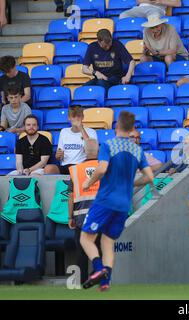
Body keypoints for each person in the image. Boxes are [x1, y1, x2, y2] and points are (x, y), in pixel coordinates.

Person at [80, 111, 155, 291]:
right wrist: (132, 182)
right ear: (131, 129)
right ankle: (106, 283)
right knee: (108, 242)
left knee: (86, 239)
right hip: (123, 205)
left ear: (117, 126)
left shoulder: (108, 145)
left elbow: (102, 169)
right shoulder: (137, 150)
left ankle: (98, 270)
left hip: (105, 200)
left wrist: (88, 182)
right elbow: (150, 176)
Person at [68, 139, 101, 284]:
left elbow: (70, 196)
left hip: (81, 219)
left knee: (81, 252)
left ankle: (80, 283)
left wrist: (70, 217)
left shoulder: (76, 170)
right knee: (100, 250)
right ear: (98, 151)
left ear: (83, 152)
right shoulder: (105, 168)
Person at [44, 106, 98, 175]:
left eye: (79, 116)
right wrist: (58, 155)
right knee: (49, 169)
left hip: (82, 165)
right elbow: (59, 157)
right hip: (66, 166)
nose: (76, 119)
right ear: (69, 118)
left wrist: (81, 129)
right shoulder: (64, 131)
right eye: (73, 116)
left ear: (83, 117)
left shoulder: (91, 132)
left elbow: (92, 151)